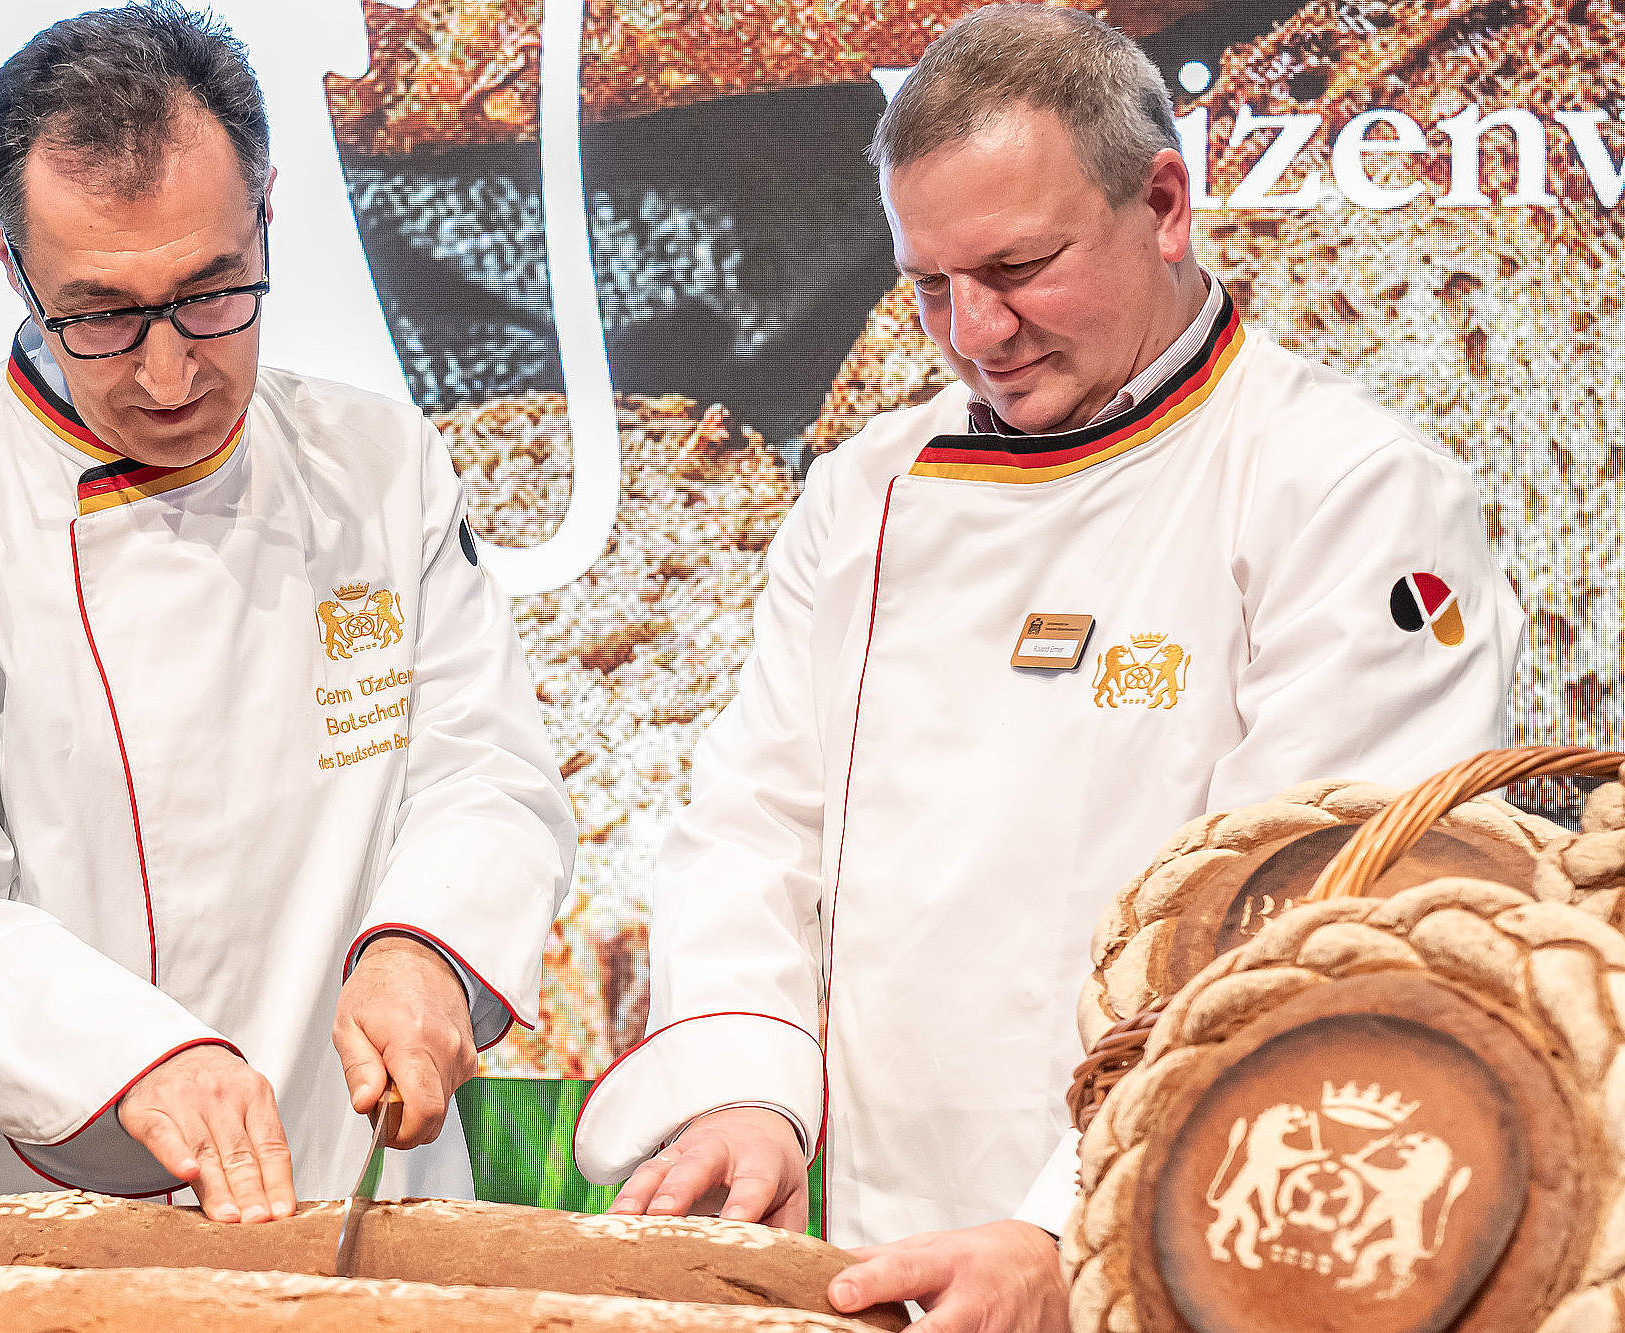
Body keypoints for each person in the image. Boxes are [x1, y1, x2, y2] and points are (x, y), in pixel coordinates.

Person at [571, 6, 1522, 1330]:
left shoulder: (1348, 493)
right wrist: (747, 1085)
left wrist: (1073, 1223)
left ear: (1166, 203)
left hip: (1171, 1234)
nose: (977, 331)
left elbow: (1313, 925)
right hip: (868, 1245)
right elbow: (752, 823)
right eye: (929, 285)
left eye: (1019, 268)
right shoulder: (866, 493)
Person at [0, 1, 574, 1234]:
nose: (170, 375)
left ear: (267, 211)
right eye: (103, 316)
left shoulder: (382, 469)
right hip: (23, 1222)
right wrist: (132, 1056)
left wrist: (427, 944)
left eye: (213, 293)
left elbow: (486, 772)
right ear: (9, 261)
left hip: (347, 1182)